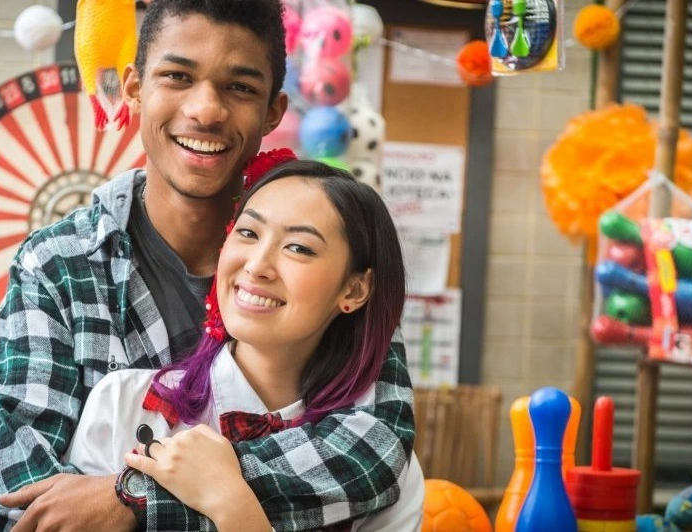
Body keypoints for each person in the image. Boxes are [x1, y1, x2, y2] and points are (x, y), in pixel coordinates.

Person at [0, 0, 416, 530]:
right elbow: (18, 493)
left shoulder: (323, 265)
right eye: (178, 76)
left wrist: (136, 498)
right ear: (135, 86)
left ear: (274, 111)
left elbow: (373, 449)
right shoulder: (58, 264)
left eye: (240, 88)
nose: (206, 110)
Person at [65, 160, 424, 531]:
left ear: (354, 289)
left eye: (299, 247)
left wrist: (232, 503)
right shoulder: (123, 404)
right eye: (249, 233)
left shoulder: (382, 470)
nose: (257, 266)